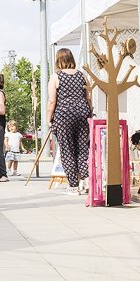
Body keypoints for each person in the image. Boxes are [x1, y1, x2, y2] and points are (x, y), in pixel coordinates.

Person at [47, 48, 93, 195]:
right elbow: (89, 98)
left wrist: (49, 119)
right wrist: (89, 113)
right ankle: (86, 181)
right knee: (83, 148)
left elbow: (52, 101)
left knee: (67, 150)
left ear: (58, 60)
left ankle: (73, 186)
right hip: (82, 114)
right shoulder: (82, 75)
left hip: (64, 115)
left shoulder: (56, 77)